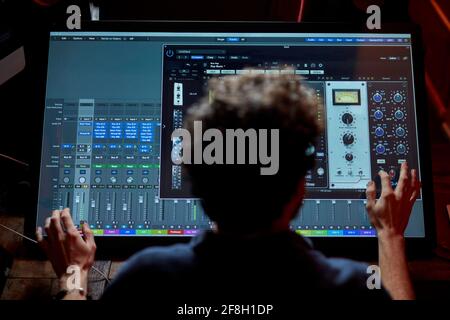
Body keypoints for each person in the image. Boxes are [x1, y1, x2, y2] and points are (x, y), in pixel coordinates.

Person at [36, 73, 420, 302]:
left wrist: (73, 272)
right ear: (301, 188)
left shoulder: (145, 280)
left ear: (197, 182)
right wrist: (390, 235)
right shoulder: (351, 290)